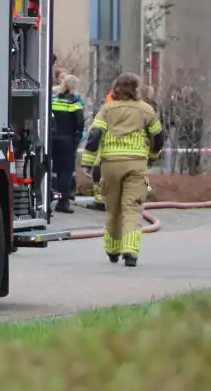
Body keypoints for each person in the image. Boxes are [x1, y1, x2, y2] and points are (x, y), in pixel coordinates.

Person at [79, 73, 164, 267]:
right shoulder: (146, 110)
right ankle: (131, 252)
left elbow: (94, 135)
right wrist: (151, 158)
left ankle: (113, 249)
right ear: (137, 89)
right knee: (133, 208)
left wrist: (88, 162)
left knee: (113, 208)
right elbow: (158, 138)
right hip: (136, 164)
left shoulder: (107, 110)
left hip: (111, 164)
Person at [50, 75, 85, 213]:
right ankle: (62, 202)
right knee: (66, 172)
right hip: (68, 141)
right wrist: (77, 138)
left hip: (53, 140)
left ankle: (52, 198)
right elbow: (80, 122)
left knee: (57, 171)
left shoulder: (54, 100)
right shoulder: (74, 102)